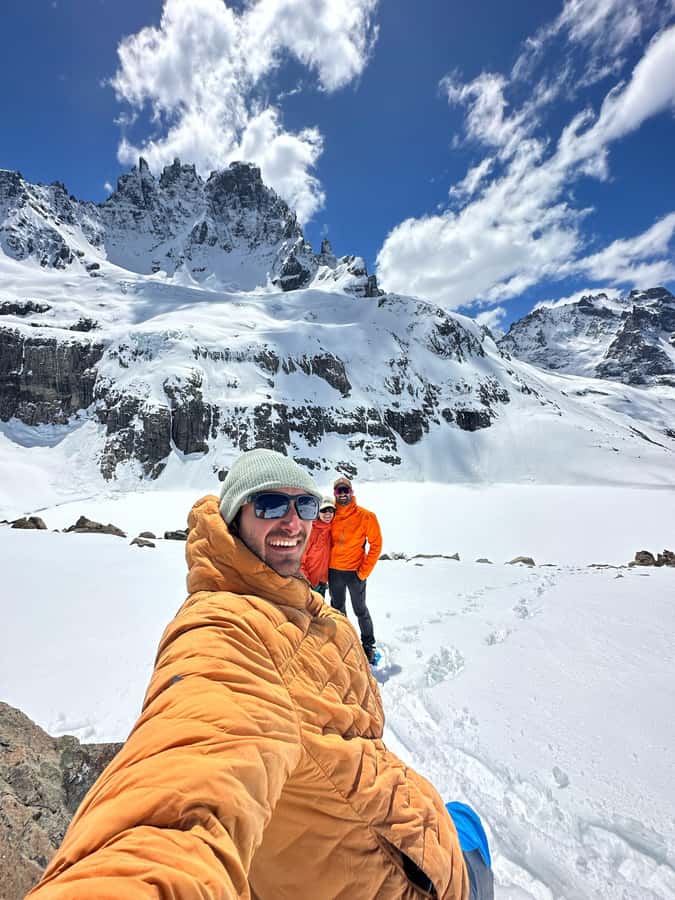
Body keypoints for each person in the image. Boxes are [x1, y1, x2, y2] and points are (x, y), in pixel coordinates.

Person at [28, 449, 490, 900]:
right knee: (471, 832)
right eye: (269, 504)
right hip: (412, 884)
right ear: (234, 518)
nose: (292, 521)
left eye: (305, 505)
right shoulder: (223, 630)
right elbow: (187, 777)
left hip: (412, 842)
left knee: (463, 818)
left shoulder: (298, 604)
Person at [328, 475, 382, 664]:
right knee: (337, 610)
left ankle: (368, 646)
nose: (342, 495)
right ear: (334, 494)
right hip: (334, 571)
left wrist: (363, 572)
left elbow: (376, 545)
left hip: (355, 572)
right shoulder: (330, 515)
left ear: (351, 492)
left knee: (360, 610)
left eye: (345, 490)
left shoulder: (366, 516)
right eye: (338, 491)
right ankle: (342, 644)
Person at [300, 495, 335, 596]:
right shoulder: (310, 531)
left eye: (330, 510)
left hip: (322, 582)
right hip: (308, 584)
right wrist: (306, 581)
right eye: (324, 510)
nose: (327, 513)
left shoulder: (332, 529)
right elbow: (300, 560)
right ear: (317, 512)